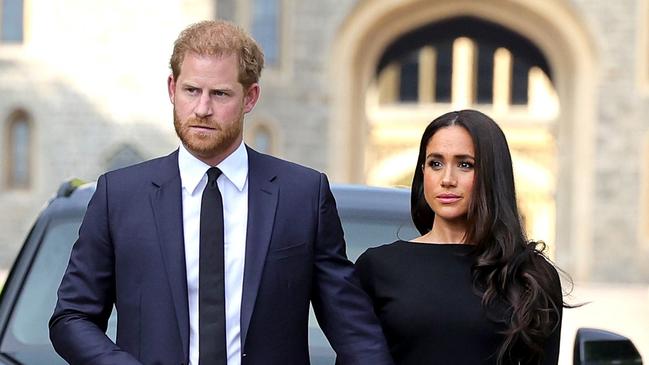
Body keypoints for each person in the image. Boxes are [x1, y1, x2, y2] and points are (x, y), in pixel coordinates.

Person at [49, 20, 393, 365]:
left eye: (220, 94)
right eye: (191, 91)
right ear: (172, 89)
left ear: (250, 97)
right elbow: (72, 317)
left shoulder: (302, 195)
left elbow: (354, 331)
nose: (202, 109)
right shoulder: (119, 195)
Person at [355, 110, 563, 364]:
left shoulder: (531, 275)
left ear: (492, 174)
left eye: (465, 164)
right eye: (436, 163)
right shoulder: (378, 267)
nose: (447, 179)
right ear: (423, 172)